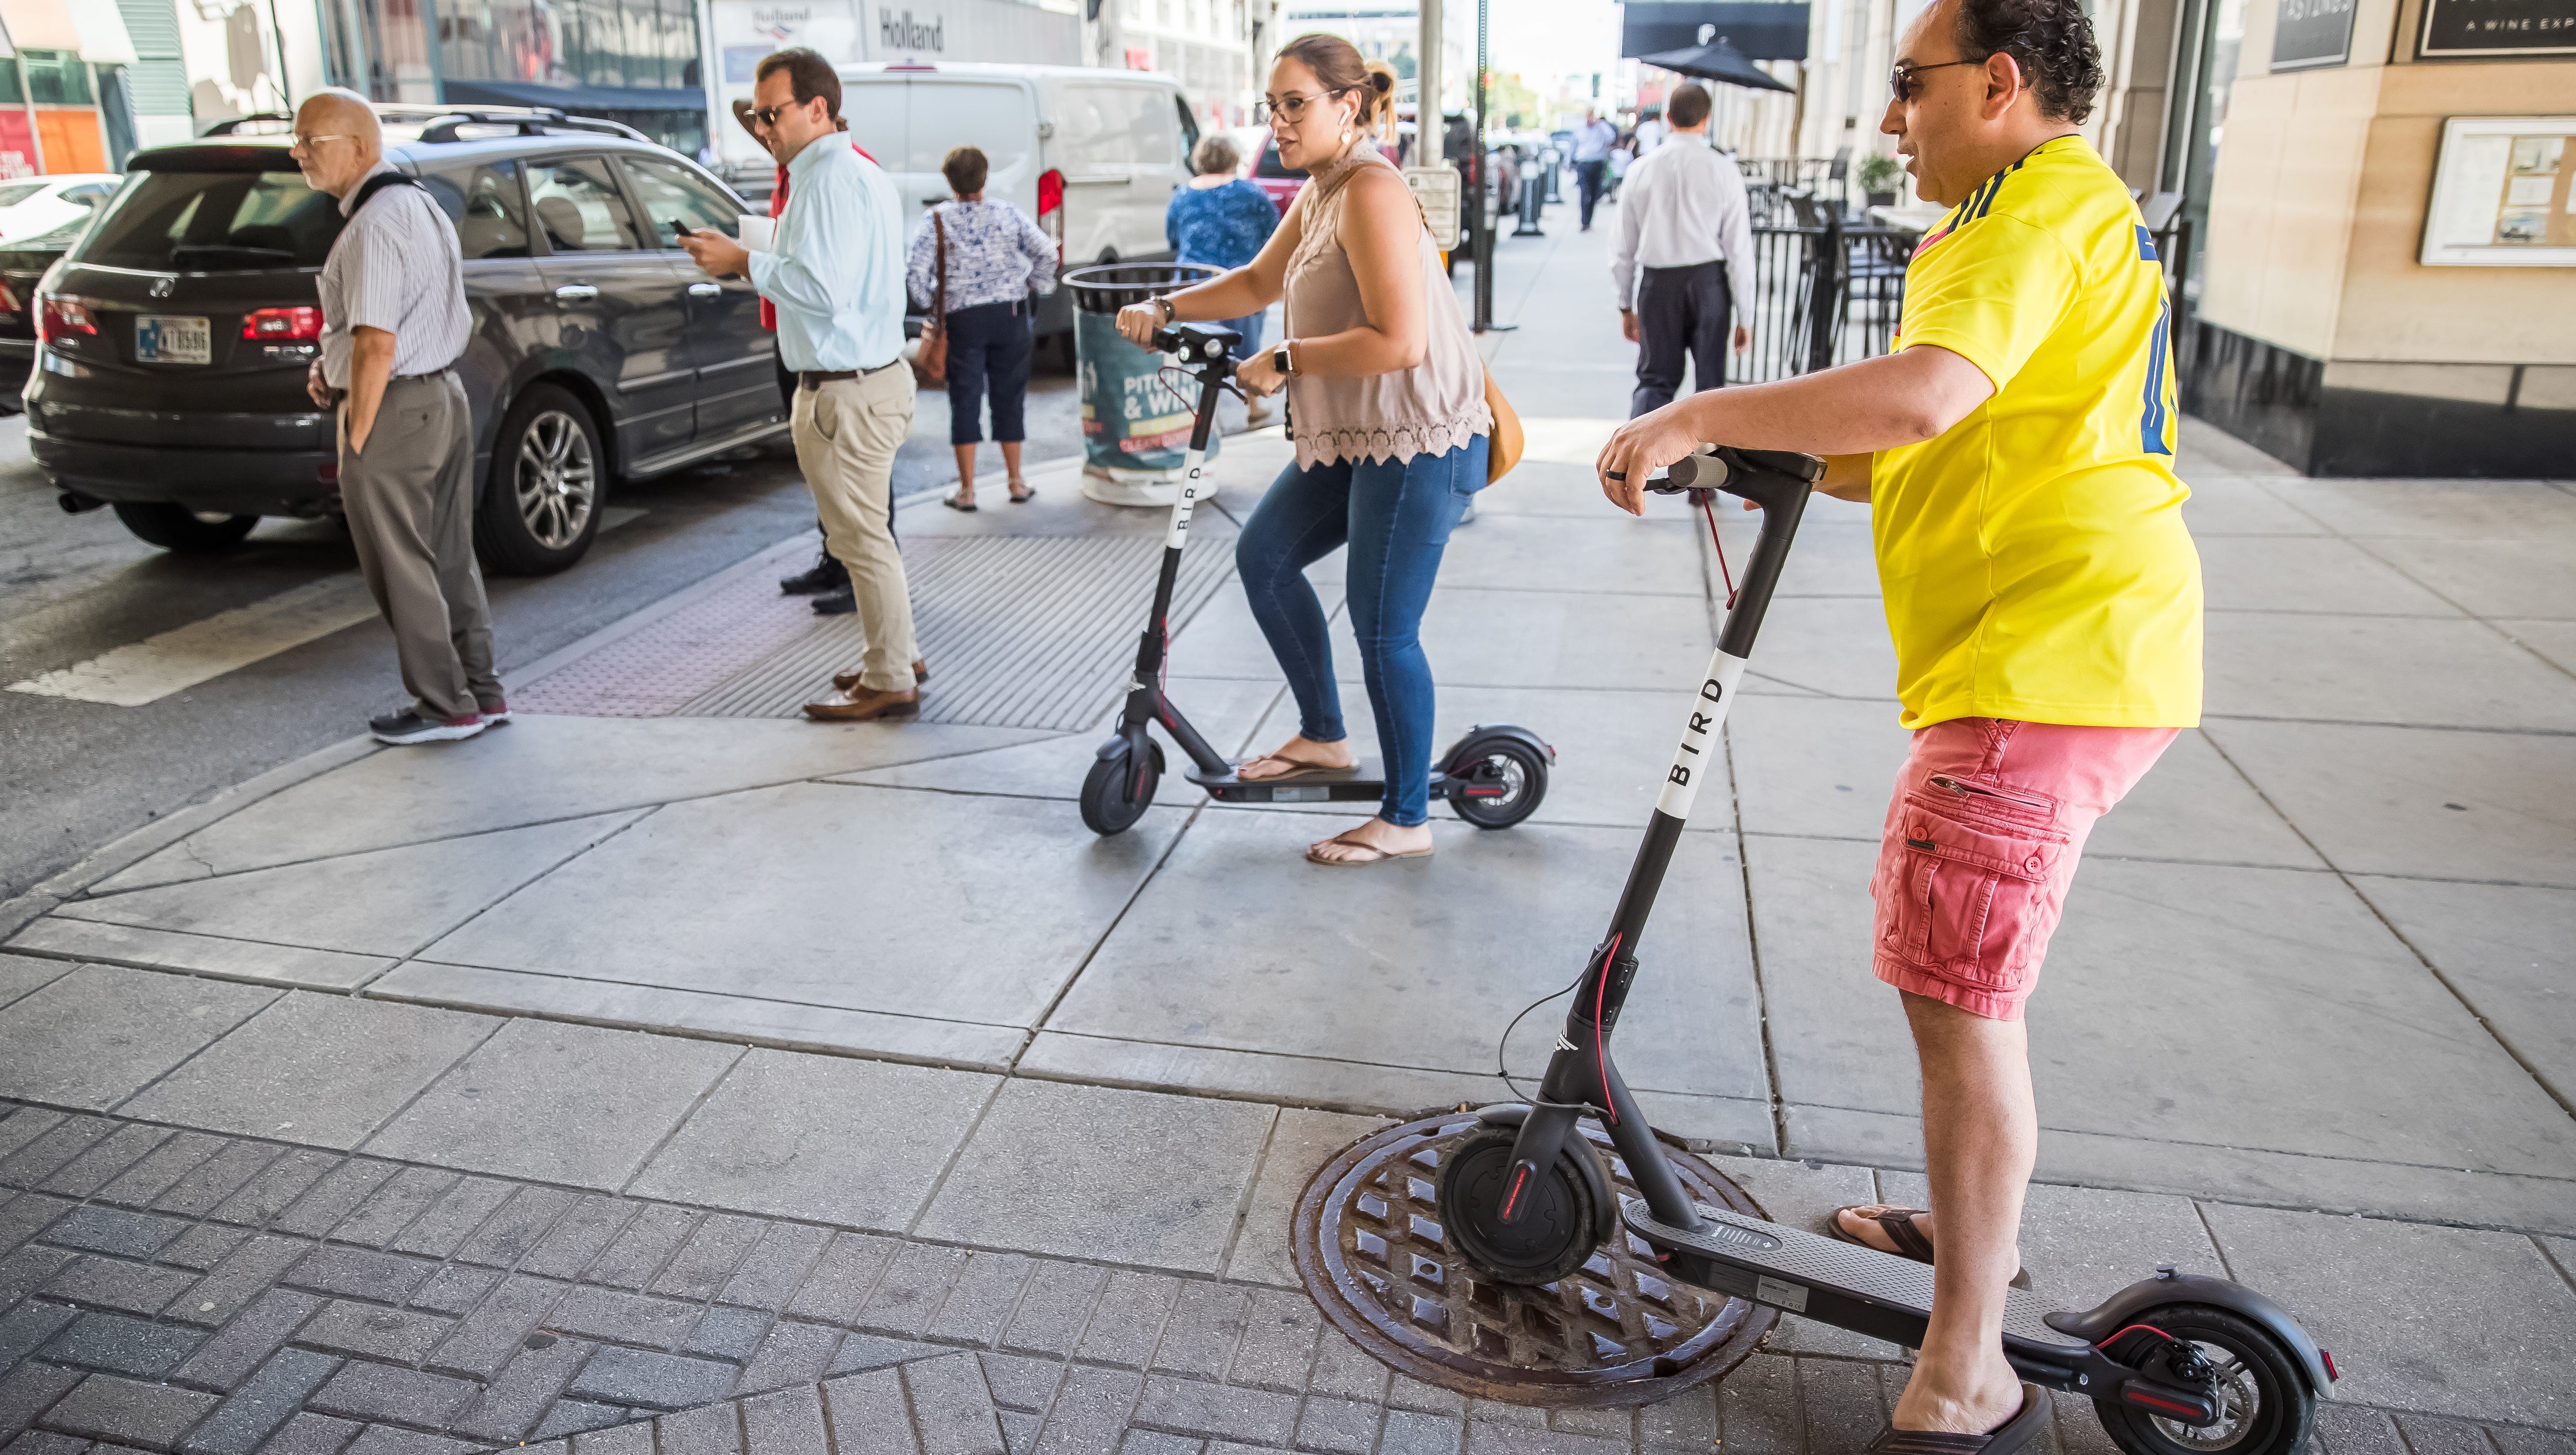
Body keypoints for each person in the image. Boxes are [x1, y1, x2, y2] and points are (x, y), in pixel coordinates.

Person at [1597, 0, 2189, 1443]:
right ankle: (1963, 1224)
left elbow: (1925, 399)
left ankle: (1969, 1361)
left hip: (2039, 668)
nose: (1886, 117)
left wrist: (1698, 410)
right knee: (1962, 988)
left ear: (1996, 84)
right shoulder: (2059, 209)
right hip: (2080, 652)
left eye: (1909, 86)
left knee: (1958, 995)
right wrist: (1762, 452)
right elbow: (1939, 435)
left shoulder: (2022, 215)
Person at [1117, 33, 1492, 867]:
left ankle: (1405, 818)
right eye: (1272, 105)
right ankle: (1324, 733)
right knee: (1266, 556)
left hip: (1415, 435)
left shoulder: (1372, 191)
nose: (1278, 121)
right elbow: (1256, 281)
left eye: (1295, 104)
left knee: (1383, 627)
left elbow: (1399, 341)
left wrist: (1288, 359)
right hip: (1362, 433)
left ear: (1347, 108)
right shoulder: (1322, 189)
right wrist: (1166, 307)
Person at [681, 48, 925, 723]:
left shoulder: (826, 178)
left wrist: (742, 260)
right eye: (756, 116)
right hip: (863, 381)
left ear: (817, 108)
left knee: (859, 542)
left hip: (846, 390)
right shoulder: (847, 170)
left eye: (772, 113)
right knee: (866, 536)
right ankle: (895, 652)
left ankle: (890, 675)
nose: (762, 128)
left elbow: (823, 289)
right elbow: (824, 269)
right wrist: (758, 255)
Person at [291, 89, 499, 747]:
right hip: (440, 396)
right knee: (447, 557)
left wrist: (357, 434)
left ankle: (443, 705)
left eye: (310, 141)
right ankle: (481, 692)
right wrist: (334, 371)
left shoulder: (374, 225)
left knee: (400, 563)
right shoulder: (418, 204)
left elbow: (378, 342)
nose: (298, 153)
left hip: (394, 406)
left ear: (359, 146)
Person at [911, 144, 1057, 510]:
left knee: (965, 398)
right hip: (1009, 315)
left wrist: (933, 302)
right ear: (985, 176)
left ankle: (967, 491)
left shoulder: (937, 221)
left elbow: (915, 274)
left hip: (963, 320)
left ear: (949, 180)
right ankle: (1016, 482)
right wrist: (1031, 284)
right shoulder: (1006, 213)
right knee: (1009, 396)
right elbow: (1048, 253)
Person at [1610, 83, 1755, 418]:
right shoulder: (1724, 169)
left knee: (1653, 382)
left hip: (1657, 285)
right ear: (1706, 119)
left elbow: (1622, 248)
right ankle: (1711, 467)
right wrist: (1745, 315)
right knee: (1711, 389)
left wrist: (1624, 304)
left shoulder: (1639, 169)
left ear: (1668, 117)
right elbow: (1739, 250)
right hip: (1709, 284)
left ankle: (1636, 467)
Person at [1166, 132, 1281, 423]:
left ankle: (1201, 416)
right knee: (1246, 345)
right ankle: (1254, 408)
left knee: (1195, 347)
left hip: (1193, 282)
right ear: (1233, 159)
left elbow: (1173, 239)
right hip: (1240, 280)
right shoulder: (1252, 194)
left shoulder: (1182, 195)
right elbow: (1275, 235)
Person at [1569, 107, 1617, 230]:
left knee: (1595, 194)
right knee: (1584, 192)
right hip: (1583, 163)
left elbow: (1611, 138)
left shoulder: (1602, 127)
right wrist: (1568, 162)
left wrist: (1600, 125)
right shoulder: (1580, 128)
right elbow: (1573, 145)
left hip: (1597, 163)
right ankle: (1584, 222)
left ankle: (1589, 220)